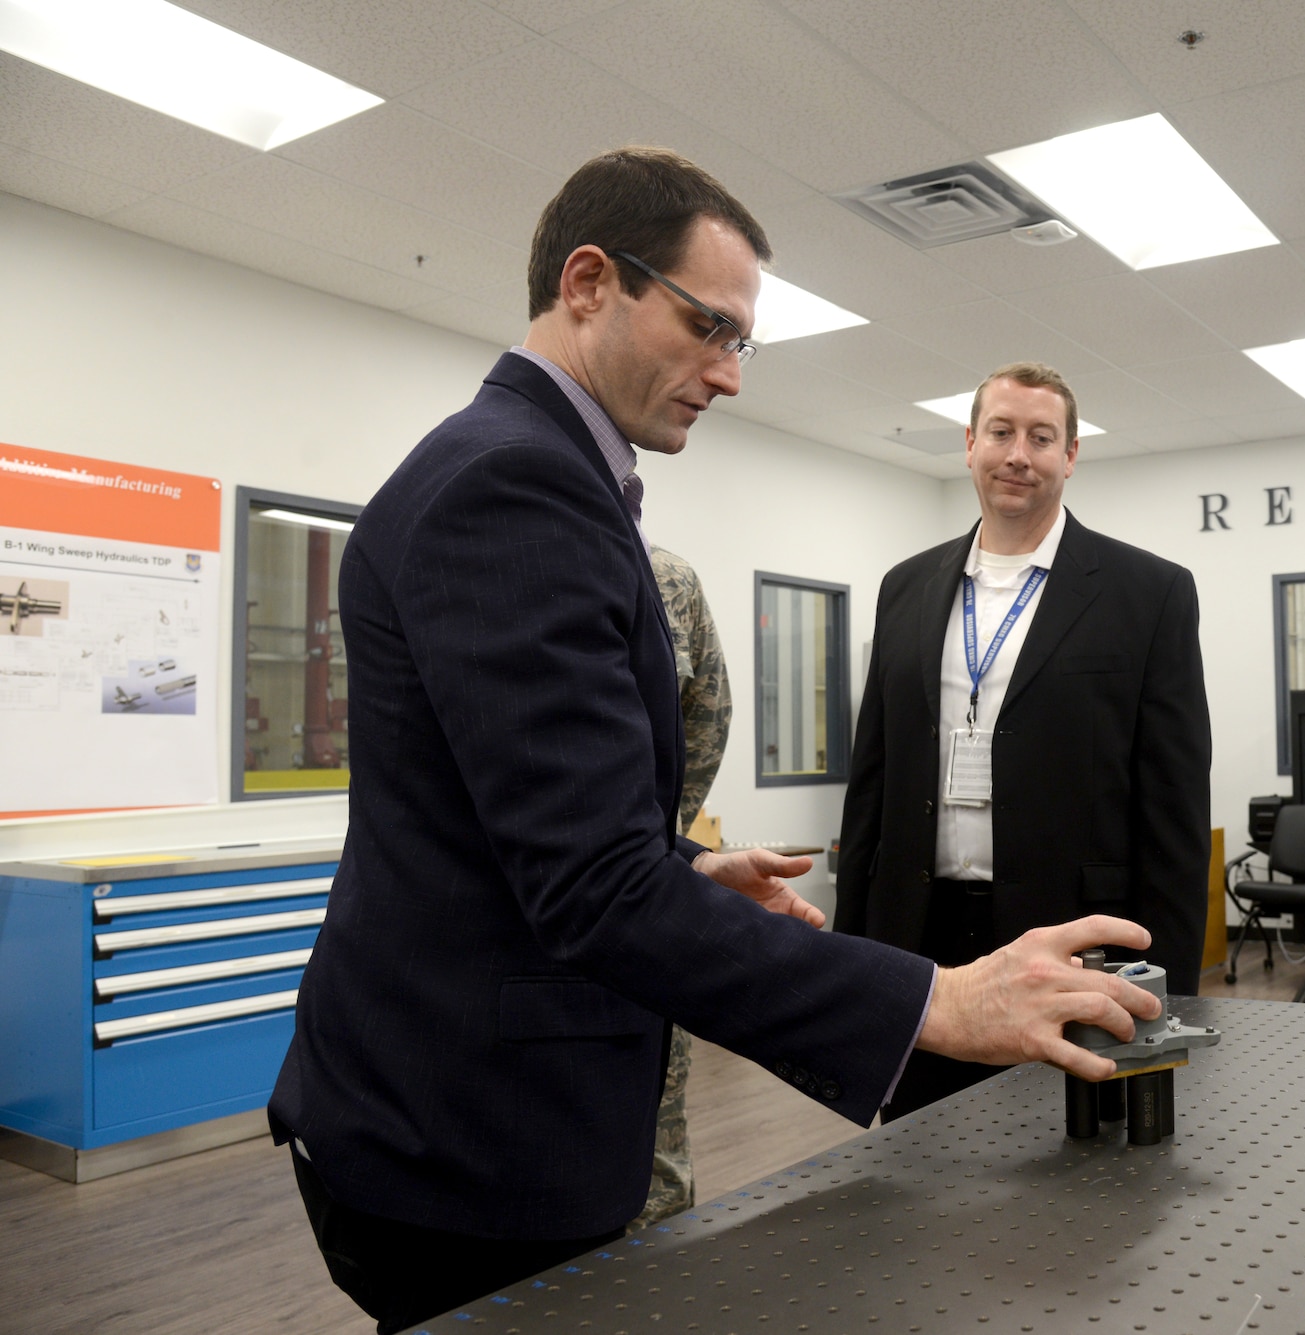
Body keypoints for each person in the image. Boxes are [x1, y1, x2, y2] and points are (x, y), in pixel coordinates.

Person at [268, 149, 1161, 1335]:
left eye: (743, 343)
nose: (729, 375)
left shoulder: (539, 476)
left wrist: (689, 870)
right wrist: (930, 1004)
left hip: (462, 1108)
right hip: (465, 1133)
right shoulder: (515, 488)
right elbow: (589, 885)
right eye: (709, 328)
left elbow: (523, 821)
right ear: (590, 281)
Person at [836, 361, 1211, 1120]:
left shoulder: (1149, 592)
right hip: (919, 938)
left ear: (1070, 455)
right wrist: (848, 958)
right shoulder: (904, 588)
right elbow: (871, 782)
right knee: (922, 1163)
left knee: (1069, 1177)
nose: (1019, 454)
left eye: (1043, 437)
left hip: (1070, 937)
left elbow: (1174, 809)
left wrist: (1163, 987)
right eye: (1002, 432)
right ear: (970, 443)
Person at [636, 545, 732, 1228]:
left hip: (644, 906)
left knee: (656, 1161)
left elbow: (708, 717)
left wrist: (654, 836)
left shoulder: (668, 578)